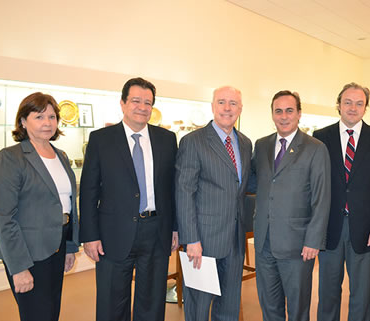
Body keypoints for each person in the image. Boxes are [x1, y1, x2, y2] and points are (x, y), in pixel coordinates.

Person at [79, 77, 178, 321]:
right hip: (113, 234)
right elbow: (89, 191)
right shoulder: (101, 139)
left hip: (156, 231)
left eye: (148, 102)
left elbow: (172, 189)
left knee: (152, 302)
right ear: (123, 103)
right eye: (136, 100)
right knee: (112, 301)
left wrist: (175, 228)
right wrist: (90, 235)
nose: (142, 107)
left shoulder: (167, 139)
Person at [0, 92, 80, 321]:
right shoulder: (11, 157)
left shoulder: (60, 155)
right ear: (23, 121)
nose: (47, 123)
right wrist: (19, 267)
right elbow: (4, 216)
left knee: (51, 312)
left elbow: (68, 206)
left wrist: (70, 246)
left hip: (57, 246)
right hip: (27, 252)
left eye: (52, 117)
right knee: (36, 315)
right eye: (39, 117)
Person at [313, 82, 370, 321]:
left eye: (359, 103)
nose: (353, 107)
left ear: (365, 108)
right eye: (348, 102)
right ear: (338, 105)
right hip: (329, 228)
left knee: (360, 293)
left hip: (366, 229)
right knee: (327, 292)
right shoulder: (321, 137)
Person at [252, 90, 331, 321]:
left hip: (298, 246)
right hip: (264, 243)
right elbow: (257, 183)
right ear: (272, 114)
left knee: (297, 310)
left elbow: (321, 197)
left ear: (299, 114)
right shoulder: (262, 145)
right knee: (269, 307)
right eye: (278, 111)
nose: (284, 116)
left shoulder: (315, 148)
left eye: (289, 110)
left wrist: (313, 241)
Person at [175, 86, 252, 321]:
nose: (227, 108)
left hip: (235, 241)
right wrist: (192, 239)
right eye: (221, 102)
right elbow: (184, 191)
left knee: (229, 306)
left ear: (240, 109)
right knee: (199, 307)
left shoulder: (246, 143)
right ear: (212, 106)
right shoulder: (193, 141)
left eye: (232, 103)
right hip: (203, 242)